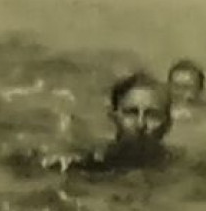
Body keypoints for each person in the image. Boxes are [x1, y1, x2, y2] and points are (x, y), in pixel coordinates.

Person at [37, 71, 175, 175]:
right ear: (113, 117)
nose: (140, 124)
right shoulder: (90, 161)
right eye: (131, 113)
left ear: (168, 123)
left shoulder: (180, 169)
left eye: (152, 115)